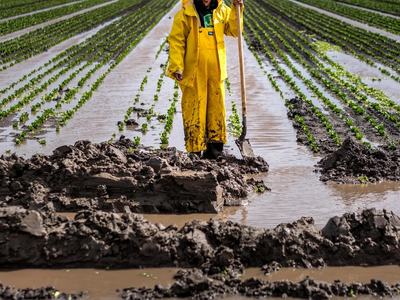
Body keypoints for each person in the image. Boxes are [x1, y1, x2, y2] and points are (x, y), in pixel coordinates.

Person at [167, 0, 244, 158]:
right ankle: (195, 149)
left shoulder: (222, 10)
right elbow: (176, 41)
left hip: (216, 70)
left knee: (217, 108)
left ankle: (215, 149)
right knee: (194, 107)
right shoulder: (185, 14)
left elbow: (235, 30)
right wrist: (176, 65)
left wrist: (238, 9)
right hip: (193, 71)